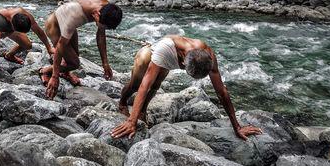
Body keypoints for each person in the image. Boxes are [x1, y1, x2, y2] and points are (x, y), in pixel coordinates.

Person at [111, 35, 263, 140]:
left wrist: (237, 126)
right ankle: (123, 102)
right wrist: (131, 122)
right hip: (151, 54)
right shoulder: (165, 50)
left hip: (172, 57)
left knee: (156, 85)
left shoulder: (207, 54)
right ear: (183, 64)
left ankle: (143, 111)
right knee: (136, 85)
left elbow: (222, 92)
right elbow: (144, 85)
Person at [40, 0, 123, 99]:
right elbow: (60, 47)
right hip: (54, 26)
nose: (102, 28)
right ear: (97, 14)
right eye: (102, 25)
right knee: (74, 63)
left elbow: (101, 36)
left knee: (75, 56)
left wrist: (105, 64)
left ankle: (65, 73)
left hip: (66, 18)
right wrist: (54, 77)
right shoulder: (75, 17)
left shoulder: (107, 8)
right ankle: (46, 71)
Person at [0, 7, 54, 76]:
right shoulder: (0, 20)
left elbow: (39, 32)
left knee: (27, 45)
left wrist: (49, 48)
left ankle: (9, 55)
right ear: (13, 24)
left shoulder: (25, 16)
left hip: (11, 30)